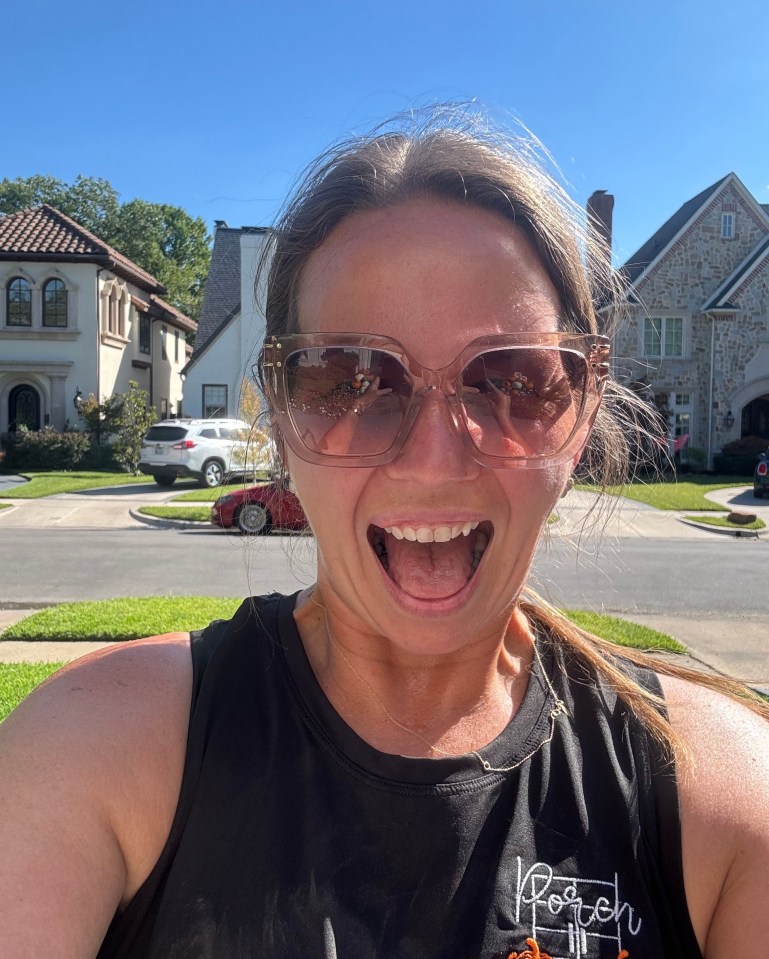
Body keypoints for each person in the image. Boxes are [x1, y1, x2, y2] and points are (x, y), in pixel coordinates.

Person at [2, 116, 768, 959]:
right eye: (352, 380)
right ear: (283, 416)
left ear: (581, 413)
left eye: (511, 381)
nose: (433, 460)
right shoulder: (96, 750)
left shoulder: (717, 798)